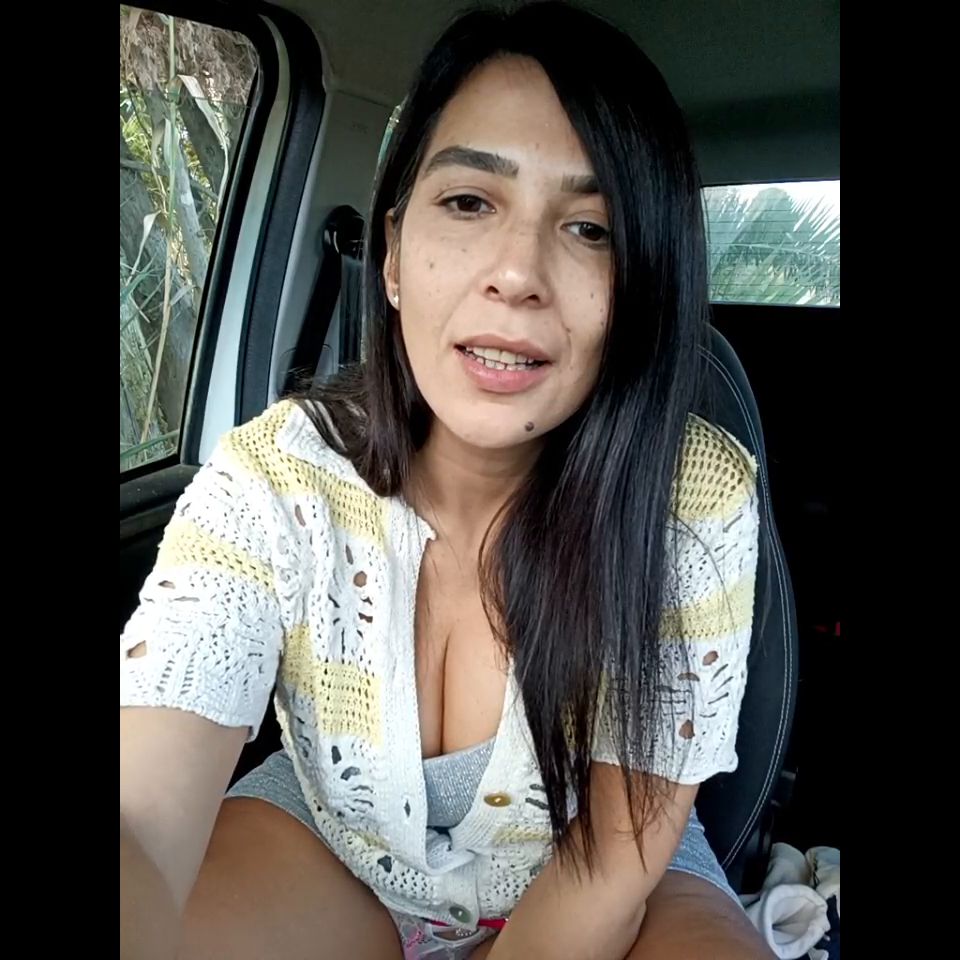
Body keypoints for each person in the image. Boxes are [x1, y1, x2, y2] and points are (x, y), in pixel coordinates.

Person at [120, 3, 773, 958]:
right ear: (392, 255)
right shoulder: (272, 480)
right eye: (470, 202)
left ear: (640, 287)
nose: (517, 272)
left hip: (608, 865)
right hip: (332, 842)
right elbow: (139, 826)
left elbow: (611, 864)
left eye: (590, 227)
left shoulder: (692, 501)